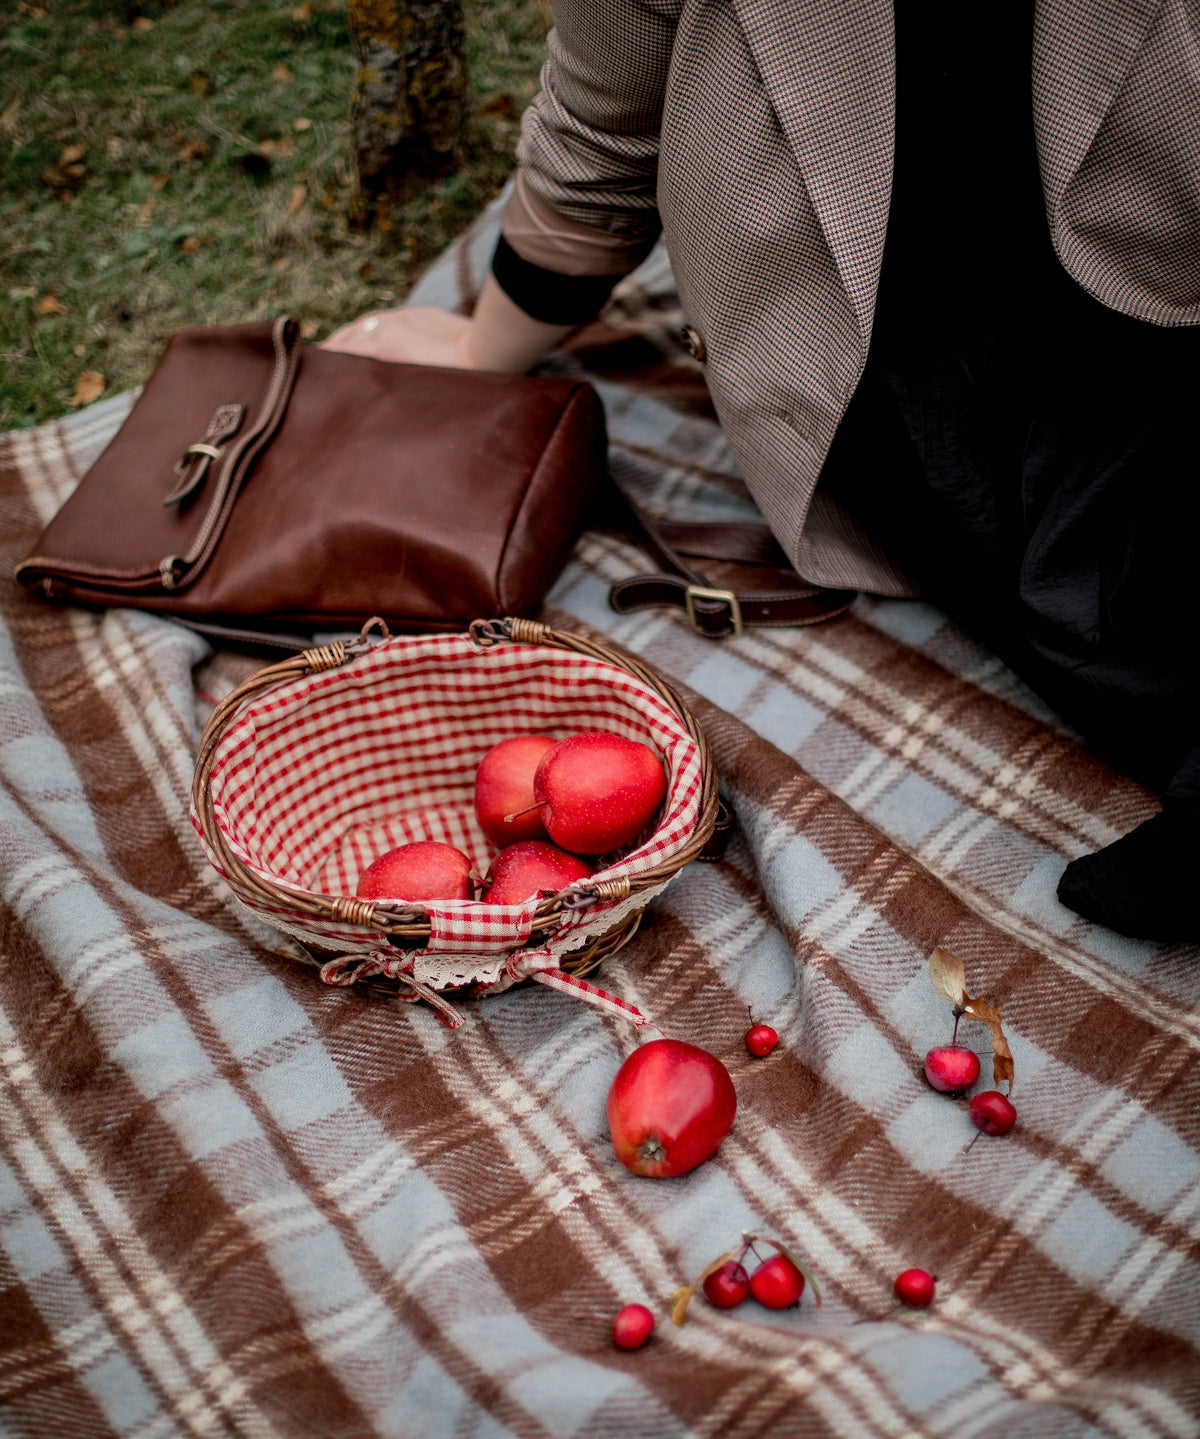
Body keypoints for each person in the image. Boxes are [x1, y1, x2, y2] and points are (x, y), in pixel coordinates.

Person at [326, 0, 1200, 943]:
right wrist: (480, 352)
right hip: (903, 372)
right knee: (1106, 607)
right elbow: (599, 136)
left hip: (1154, 330)